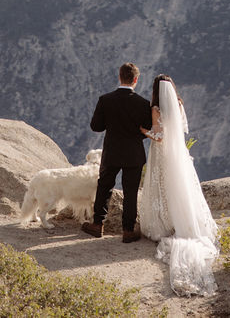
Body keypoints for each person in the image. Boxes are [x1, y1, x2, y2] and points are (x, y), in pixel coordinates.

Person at [138, 74, 218, 296]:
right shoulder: (179, 105)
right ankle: (182, 221)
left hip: (162, 154)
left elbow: (160, 136)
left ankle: (164, 223)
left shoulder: (156, 109)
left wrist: (144, 132)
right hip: (179, 155)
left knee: (163, 189)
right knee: (180, 189)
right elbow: (180, 131)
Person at [82, 62, 153, 243]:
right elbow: (149, 129)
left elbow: (96, 127)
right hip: (134, 153)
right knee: (131, 192)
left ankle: (97, 225)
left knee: (104, 187)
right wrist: (135, 135)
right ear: (136, 80)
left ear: (119, 77)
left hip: (112, 151)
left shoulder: (105, 100)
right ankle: (128, 231)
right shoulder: (143, 104)